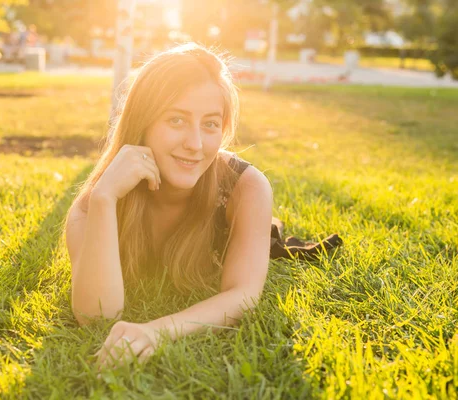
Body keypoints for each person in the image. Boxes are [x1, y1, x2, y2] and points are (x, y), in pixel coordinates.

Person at [65, 42, 342, 371]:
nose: (195, 144)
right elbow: (96, 316)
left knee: (266, 233)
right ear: (143, 122)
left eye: (210, 124)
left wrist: (157, 332)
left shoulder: (246, 187)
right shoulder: (95, 203)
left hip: (242, 219)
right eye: (177, 121)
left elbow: (244, 294)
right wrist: (105, 198)